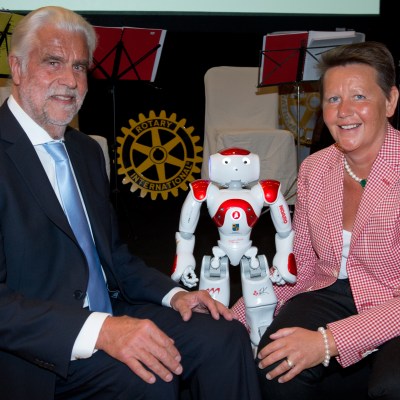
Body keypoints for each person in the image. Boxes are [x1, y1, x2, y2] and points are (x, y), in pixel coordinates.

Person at [0, 6, 262, 400]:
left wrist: (175, 295)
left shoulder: (87, 151)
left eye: (79, 66)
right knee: (151, 377)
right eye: (53, 62)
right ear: (17, 68)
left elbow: (114, 257)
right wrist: (100, 331)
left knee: (224, 337)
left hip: (111, 309)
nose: (70, 80)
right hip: (42, 348)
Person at [233, 41, 400, 399]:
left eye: (359, 96)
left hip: (393, 300)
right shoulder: (315, 168)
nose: (344, 111)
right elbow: (302, 263)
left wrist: (328, 341)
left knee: (391, 386)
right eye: (333, 99)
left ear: (390, 102)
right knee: (277, 363)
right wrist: (236, 315)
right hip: (332, 289)